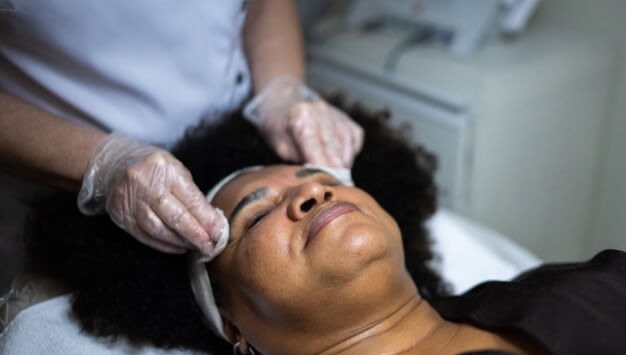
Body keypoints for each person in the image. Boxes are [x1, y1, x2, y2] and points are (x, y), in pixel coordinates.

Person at [23, 106, 626, 355]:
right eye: (255, 211)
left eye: (320, 180)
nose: (310, 196)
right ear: (232, 325)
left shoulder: (591, 283)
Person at [0, 1, 363, 258]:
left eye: (324, 182)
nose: (315, 190)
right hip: (59, 188)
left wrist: (280, 91)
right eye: (256, 219)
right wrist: (103, 163)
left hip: (239, 129)